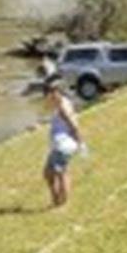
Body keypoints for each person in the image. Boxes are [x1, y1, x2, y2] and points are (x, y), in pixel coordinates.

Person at [40, 75, 84, 209]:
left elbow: (72, 124)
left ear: (58, 91)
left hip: (63, 145)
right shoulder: (61, 104)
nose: (49, 95)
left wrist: (80, 141)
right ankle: (57, 200)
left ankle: (62, 203)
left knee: (60, 173)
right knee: (49, 173)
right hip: (59, 144)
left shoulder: (62, 107)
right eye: (49, 92)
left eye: (52, 92)